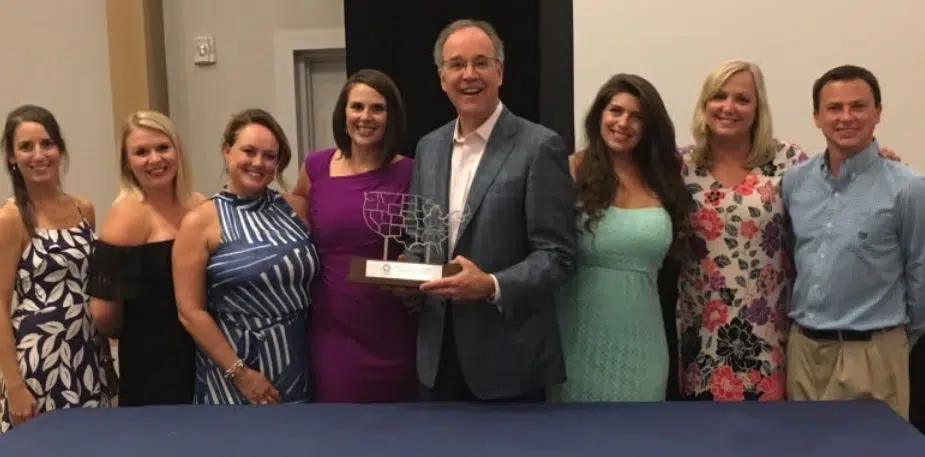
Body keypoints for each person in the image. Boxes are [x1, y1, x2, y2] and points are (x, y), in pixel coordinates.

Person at [675, 60, 900, 401]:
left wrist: (878, 162)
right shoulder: (681, 166)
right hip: (700, 329)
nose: (729, 107)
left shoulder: (787, 161)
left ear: (758, 108)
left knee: (776, 430)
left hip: (770, 331)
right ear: (704, 103)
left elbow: (837, 188)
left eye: (742, 99)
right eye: (719, 96)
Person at [405, 19, 577, 402]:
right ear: (442, 78)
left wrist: (491, 285)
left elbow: (558, 256)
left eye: (481, 62)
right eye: (457, 64)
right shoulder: (428, 148)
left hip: (510, 363)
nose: (469, 75)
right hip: (436, 360)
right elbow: (419, 238)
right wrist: (406, 272)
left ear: (500, 72)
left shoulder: (540, 147)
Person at [782, 65, 925, 418]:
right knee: (801, 444)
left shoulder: (908, 188)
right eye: (834, 108)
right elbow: (792, 258)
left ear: (878, 112)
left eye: (858, 106)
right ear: (817, 117)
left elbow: (920, 274)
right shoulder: (795, 182)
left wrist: (893, 346)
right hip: (804, 353)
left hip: (872, 354)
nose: (846, 117)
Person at [555, 74, 693, 401]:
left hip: (644, 342)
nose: (623, 123)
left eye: (636, 117)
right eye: (615, 111)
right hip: (576, 338)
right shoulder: (569, 171)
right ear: (599, 115)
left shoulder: (664, 178)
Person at [173, 108, 320, 405]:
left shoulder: (295, 208)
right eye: (249, 151)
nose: (258, 163)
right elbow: (190, 312)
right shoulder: (200, 221)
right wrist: (240, 373)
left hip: (297, 363)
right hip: (232, 372)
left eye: (269, 156)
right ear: (227, 152)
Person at [292, 69, 418, 402]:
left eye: (377, 108)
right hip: (334, 332)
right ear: (343, 113)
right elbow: (294, 233)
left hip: (394, 329)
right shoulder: (315, 167)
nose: (366, 117)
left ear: (392, 116)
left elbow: (426, 245)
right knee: (338, 426)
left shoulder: (411, 171)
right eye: (357, 107)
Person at [0, 105, 110, 431]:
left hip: (88, 355)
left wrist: (106, 359)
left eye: (47, 144)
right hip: (40, 362)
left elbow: (90, 289)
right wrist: (14, 386)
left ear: (60, 149)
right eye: (26, 147)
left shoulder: (83, 208)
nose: (39, 155)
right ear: (12, 158)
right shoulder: (11, 219)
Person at [87, 110, 205, 406]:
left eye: (163, 147)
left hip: (205, 354)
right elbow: (102, 313)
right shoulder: (126, 215)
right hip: (153, 362)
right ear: (127, 162)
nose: (155, 159)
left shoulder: (200, 204)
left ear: (178, 151)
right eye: (141, 152)